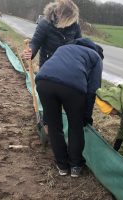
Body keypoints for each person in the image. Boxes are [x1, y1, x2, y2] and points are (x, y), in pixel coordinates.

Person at [35, 38, 103, 177]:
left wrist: (47, 120)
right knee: (75, 126)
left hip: (43, 82)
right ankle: (75, 166)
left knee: (54, 126)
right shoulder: (96, 57)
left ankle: (62, 166)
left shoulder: (64, 48)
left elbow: (53, 72)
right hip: (73, 87)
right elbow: (92, 91)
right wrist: (86, 117)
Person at [24, 0, 81, 67]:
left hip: (67, 65)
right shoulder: (45, 23)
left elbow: (79, 44)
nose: (70, 22)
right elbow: (35, 42)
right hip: (47, 65)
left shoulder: (75, 25)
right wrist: (31, 52)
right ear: (62, 15)